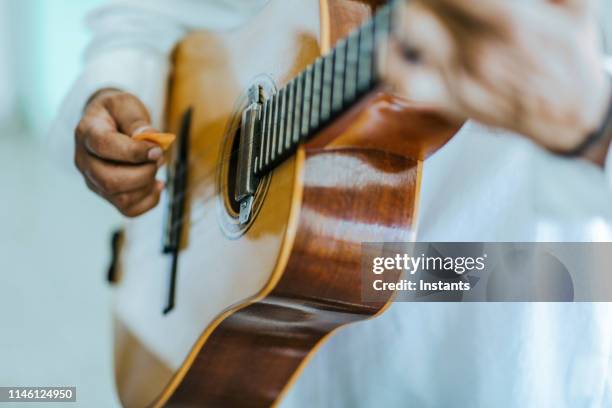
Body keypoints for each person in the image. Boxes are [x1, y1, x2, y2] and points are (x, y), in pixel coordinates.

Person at [50, 0, 612, 406]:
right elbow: (146, 17)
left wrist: (594, 128)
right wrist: (117, 85)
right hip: (251, 312)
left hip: (513, 312)